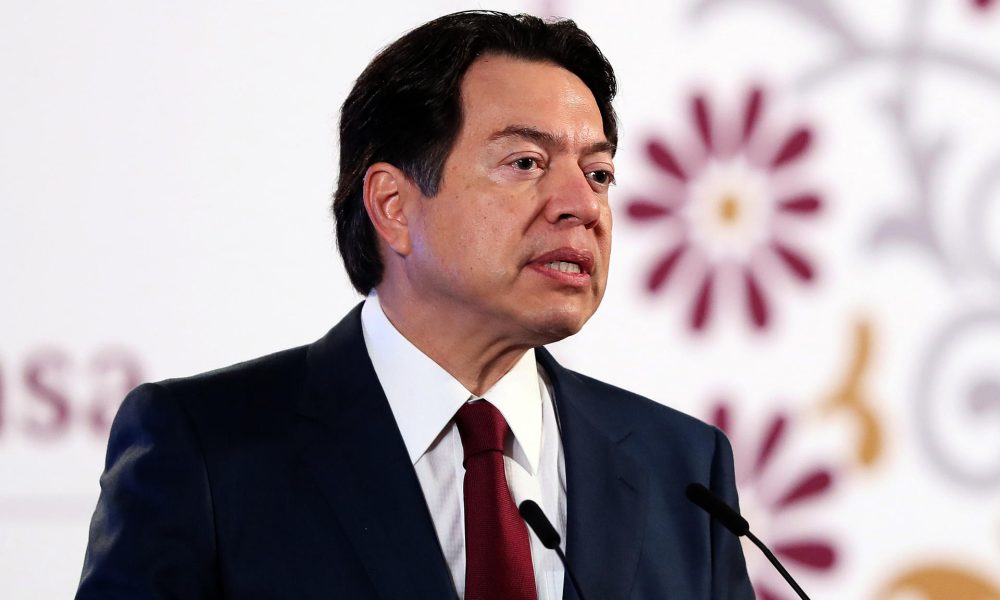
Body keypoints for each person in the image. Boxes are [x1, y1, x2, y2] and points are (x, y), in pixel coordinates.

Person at [77, 10, 753, 600]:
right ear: (393, 208)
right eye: (525, 163)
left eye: (599, 173)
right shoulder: (206, 451)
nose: (582, 206)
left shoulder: (683, 471)